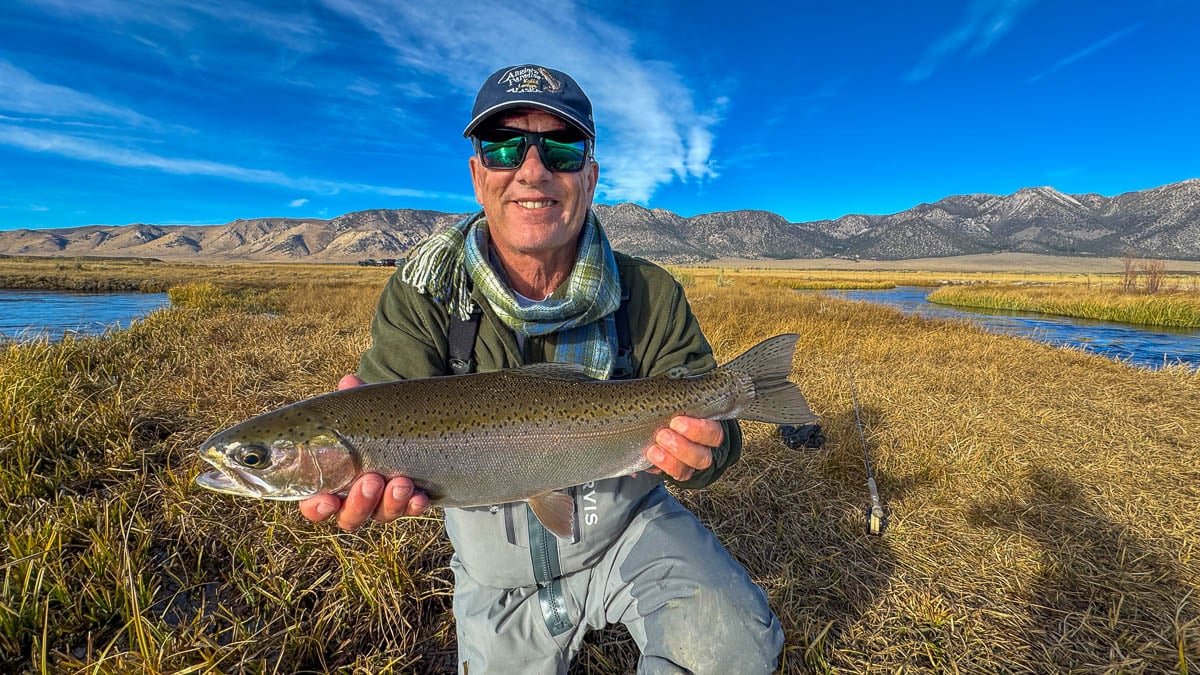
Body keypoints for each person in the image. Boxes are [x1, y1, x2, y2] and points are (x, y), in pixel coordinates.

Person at [298, 64, 783, 674]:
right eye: (503, 148)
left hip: (630, 528)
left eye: (560, 148)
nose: (533, 169)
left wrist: (709, 449)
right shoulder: (424, 291)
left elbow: (724, 444)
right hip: (493, 568)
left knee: (735, 650)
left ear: (590, 175)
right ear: (478, 176)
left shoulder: (650, 291)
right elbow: (385, 401)